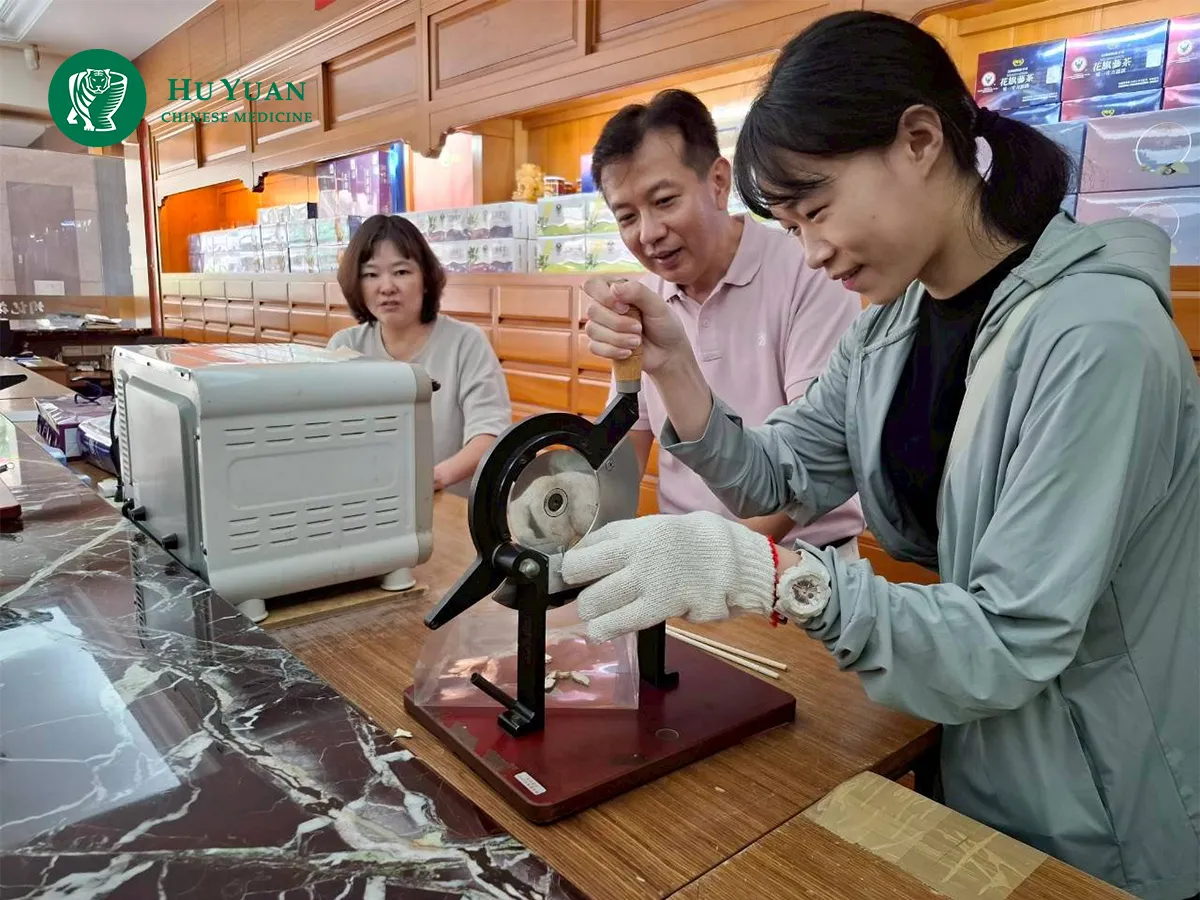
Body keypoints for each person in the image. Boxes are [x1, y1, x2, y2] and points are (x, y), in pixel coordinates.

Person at [564, 11, 1198, 900]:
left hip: (1098, 792)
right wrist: (672, 363)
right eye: (789, 223)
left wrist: (777, 577)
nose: (812, 250)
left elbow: (1010, 639)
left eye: (816, 209)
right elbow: (778, 476)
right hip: (967, 740)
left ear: (920, 140)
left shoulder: (1097, 338)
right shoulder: (894, 325)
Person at [592, 88, 865, 556]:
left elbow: (813, 457)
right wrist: (585, 534)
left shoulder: (810, 269)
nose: (649, 233)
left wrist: (714, 561)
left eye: (664, 201)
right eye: (627, 216)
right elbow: (629, 439)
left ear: (718, 181)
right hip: (683, 560)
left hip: (803, 563)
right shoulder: (644, 299)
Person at [328, 214, 511, 495]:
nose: (387, 287)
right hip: (369, 499)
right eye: (371, 274)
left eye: (401, 272)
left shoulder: (466, 342)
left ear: (426, 278)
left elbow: (490, 434)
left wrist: (433, 478)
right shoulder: (345, 348)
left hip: (450, 504)